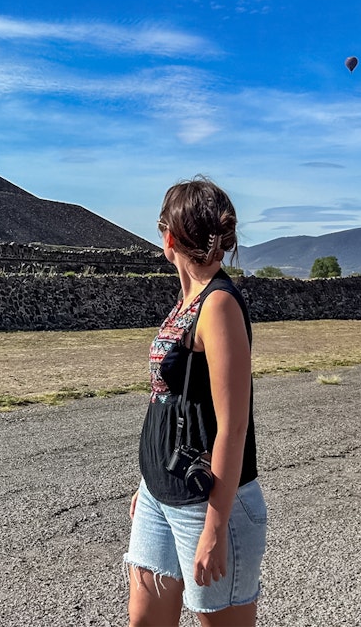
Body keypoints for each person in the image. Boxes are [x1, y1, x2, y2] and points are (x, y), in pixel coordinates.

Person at [124, 177, 266, 626]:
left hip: (207, 501)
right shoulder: (187, 299)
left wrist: (215, 526)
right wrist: (149, 481)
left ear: (168, 237)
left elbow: (233, 426)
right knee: (145, 620)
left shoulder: (218, 304)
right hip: (161, 490)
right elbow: (172, 401)